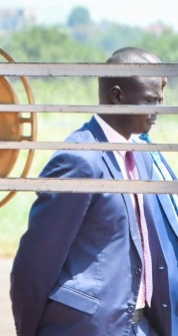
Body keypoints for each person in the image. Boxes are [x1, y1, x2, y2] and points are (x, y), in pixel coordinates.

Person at [10, 47, 174, 335]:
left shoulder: (144, 156)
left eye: (161, 100)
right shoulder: (79, 160)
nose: (157, 110)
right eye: (150, 100)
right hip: (86, 328)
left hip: (141, 326)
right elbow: (37, 262)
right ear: (117, 96)